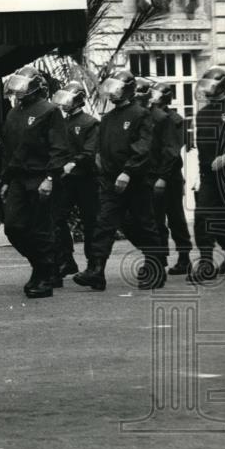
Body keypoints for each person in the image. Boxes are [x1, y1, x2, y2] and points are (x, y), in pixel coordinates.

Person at [72, 69, 166, 291]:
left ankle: (155, 269)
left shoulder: (141, 114)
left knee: (145, 224)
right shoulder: (108, 118)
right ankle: (96, 270)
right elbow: (101, 148)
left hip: (135, 181)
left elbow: (142, 147)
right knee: (103, 225)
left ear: (128, 90)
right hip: (110, 182)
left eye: (117, 88)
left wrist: (128, 171)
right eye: (111, 88)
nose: (112, 93)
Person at [0, 66, 70, 298]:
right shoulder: (13, 113)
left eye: (23, 86)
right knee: (13, 227)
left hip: (41, 176)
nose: (18, 91)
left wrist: (50, 177)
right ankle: (40, 265)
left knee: (41, 229)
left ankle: (45, 275)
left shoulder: (49, 111)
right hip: (19, 178)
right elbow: (9, 150)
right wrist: (6, 180)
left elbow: (59, 148)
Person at [189, 66, 225, 284]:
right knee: (202, 217)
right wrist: (201, 173)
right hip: (210, 175)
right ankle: (206, 262)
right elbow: (202, 146)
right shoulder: (203, 114)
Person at [51, 80, 100, 279]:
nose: (65, 103)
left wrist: (74, 162)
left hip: (86, 179)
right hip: (65, 179)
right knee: (56, 218)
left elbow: (90, 151)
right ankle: (66, 260)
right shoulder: (61, 122)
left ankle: (93, 264)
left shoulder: (90, 122)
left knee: (91, 222)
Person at [127, 76, 174, 275]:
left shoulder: (160, 118)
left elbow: (169, 149)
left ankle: (156, 261)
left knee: (154, 221)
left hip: (154, 175)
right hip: (136, 174)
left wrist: (163, 176)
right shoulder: (132, 116)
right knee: (131, 221)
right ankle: (154, 256)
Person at [149, 81, 193, 275]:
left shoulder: (174, 119)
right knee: (156, 218)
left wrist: (163, 175)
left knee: (175, 217)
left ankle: (184, 257)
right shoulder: (150, 117)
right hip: (153, 174)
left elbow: (173, 152)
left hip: (170, 175)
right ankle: (160, 257)